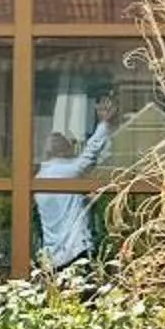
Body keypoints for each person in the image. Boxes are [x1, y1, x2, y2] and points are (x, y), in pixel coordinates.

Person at [32, 87, 118, 270]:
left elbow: (63, 205)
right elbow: (89, 155)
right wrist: (103, 124)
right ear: (63, 151)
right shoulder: (65, 171)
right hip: (74, 249)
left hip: (52, 255)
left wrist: (86, 200)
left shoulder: (40, 177)